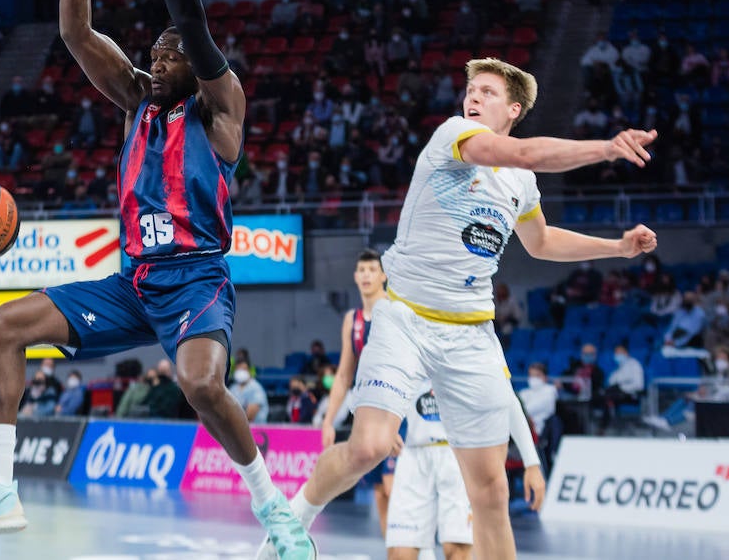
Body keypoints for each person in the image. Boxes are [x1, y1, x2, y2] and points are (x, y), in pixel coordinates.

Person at [0, 0, 316, 560]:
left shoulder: (219, 111)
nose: (157, 64)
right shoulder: (136, 101)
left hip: (194, 279)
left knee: (200, 384)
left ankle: (273, 509)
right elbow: (75, 31)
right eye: (153, 56)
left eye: (170, 57)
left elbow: (191, 22)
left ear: (197, 64)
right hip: (131, 283)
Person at [263, 58, 656, 560]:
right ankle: (291, 518)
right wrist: (604, 147)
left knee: (491, 491)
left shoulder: (519, 185)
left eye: (488, 93)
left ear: (513, 107)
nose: (473, 99)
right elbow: (523, 151)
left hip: (471, 333)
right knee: (369, 447)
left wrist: (618, 248)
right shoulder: (454, 135)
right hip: (405, 316)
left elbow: (541, 242)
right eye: (471, 91)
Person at [386, 388, 542, 560]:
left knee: (457, 550)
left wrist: (532, 463)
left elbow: (508, 398)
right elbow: (380, 380)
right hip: (413, 451)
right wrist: (383, 424)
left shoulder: (484, 359)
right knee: (399, 553)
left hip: (459, 452)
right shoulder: (408, 359)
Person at [317, 249, 397, 533]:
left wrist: (397, 420)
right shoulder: (353, 319)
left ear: (384, 275)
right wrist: (328, 420)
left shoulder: (396, 310)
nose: (366, 275)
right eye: (361, 270)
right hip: (368, 414)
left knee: (394, 488)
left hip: (397, 411)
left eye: (372, 270)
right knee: (380, 491)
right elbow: (343, 375)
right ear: (354, 276)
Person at [231, 357, 270, 422]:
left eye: (243, 369)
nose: (240, 372)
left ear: (249, 370)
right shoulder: (233, 388)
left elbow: (249, 416)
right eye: (238, 369)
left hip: (256, 429)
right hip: (236, 428)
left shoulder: (256, 388)